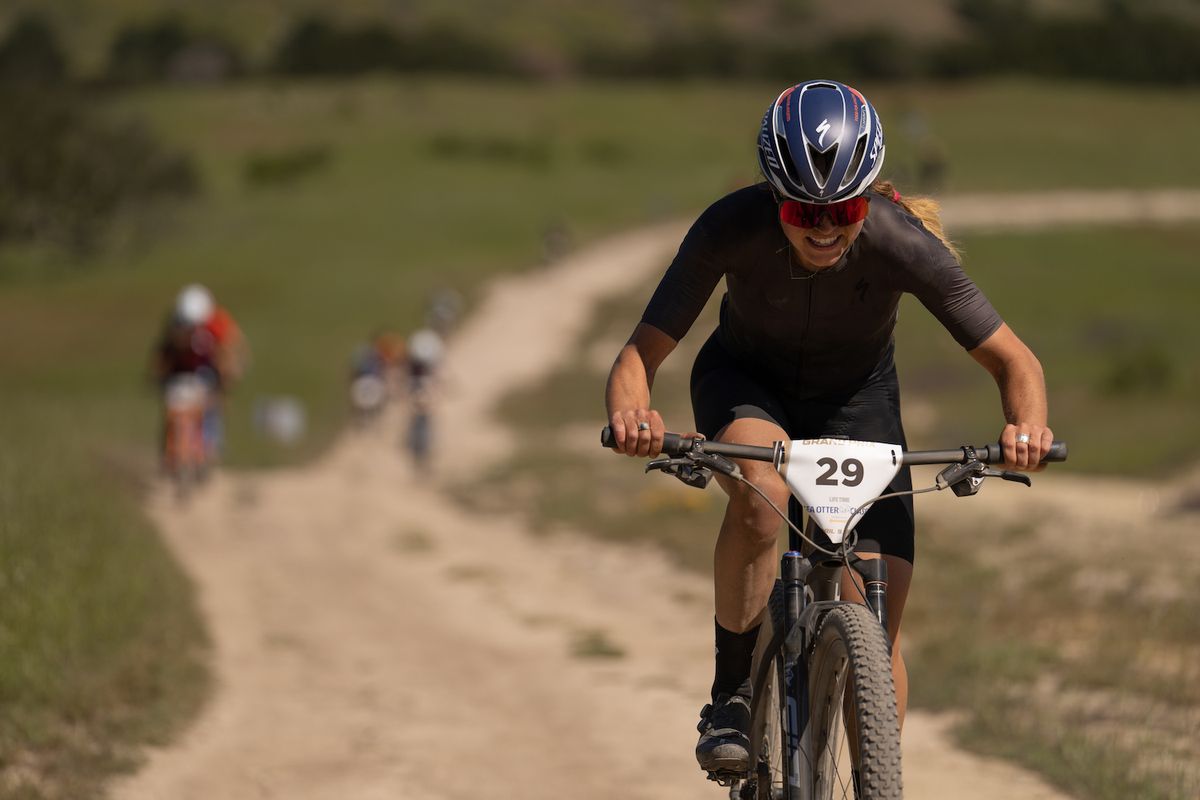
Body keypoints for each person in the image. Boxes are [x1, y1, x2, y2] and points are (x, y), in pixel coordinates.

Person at [603, 80, 1054, 775]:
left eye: (844, 210)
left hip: (858, 405)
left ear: (868, 198)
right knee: (762, 498)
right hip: (748, 387)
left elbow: (1013, 359)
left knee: (873, 621)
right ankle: (731, 693)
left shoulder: (900, 240)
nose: (823, 227)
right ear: (771, 197)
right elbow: (642, 353)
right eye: (801, 209)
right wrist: (633, 414)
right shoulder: (730, 227)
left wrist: (1027, 426)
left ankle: (875, 777)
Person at [151, 284, 248, 461]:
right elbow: (163, 355)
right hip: (181, 373)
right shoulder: (174, 325)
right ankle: (168, 451)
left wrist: (228, 375)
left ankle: (211, 443)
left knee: (211, 404)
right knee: (171, 408)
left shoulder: (217, 323)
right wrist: (158, 375)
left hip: (207, 372)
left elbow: (232, 350)